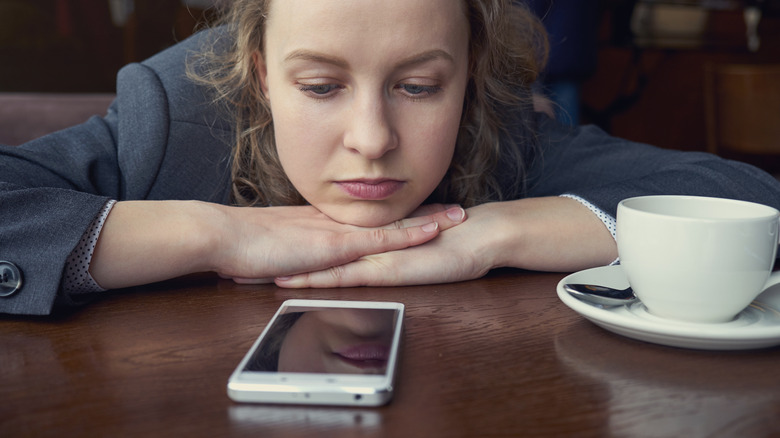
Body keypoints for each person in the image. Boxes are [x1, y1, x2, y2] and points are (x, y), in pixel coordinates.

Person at [2, 0, 779, 316]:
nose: (372, 138)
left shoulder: (503, 130)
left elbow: (746, 198)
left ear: (467, 75)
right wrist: (218, 235)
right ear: (265, 75)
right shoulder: (172, 117)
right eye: (320, 85)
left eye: (416, 85)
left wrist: (488, 235)